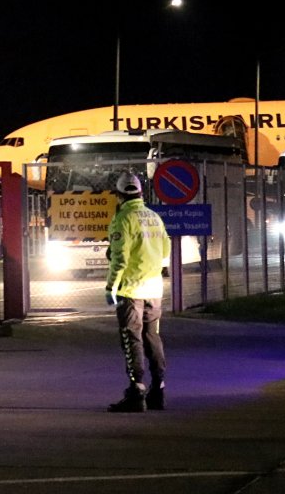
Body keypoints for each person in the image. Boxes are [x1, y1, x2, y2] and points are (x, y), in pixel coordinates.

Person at [104, 171, 170, 413]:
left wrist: (111, 287)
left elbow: (119, 259)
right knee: (153, 338)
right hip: (154, 288)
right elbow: (165, 252)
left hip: (130, 290)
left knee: (132, 339)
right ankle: (158, 390)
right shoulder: (154, 217)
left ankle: (136, 391)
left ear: (120, 195)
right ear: (141, 193)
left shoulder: (123, 219)